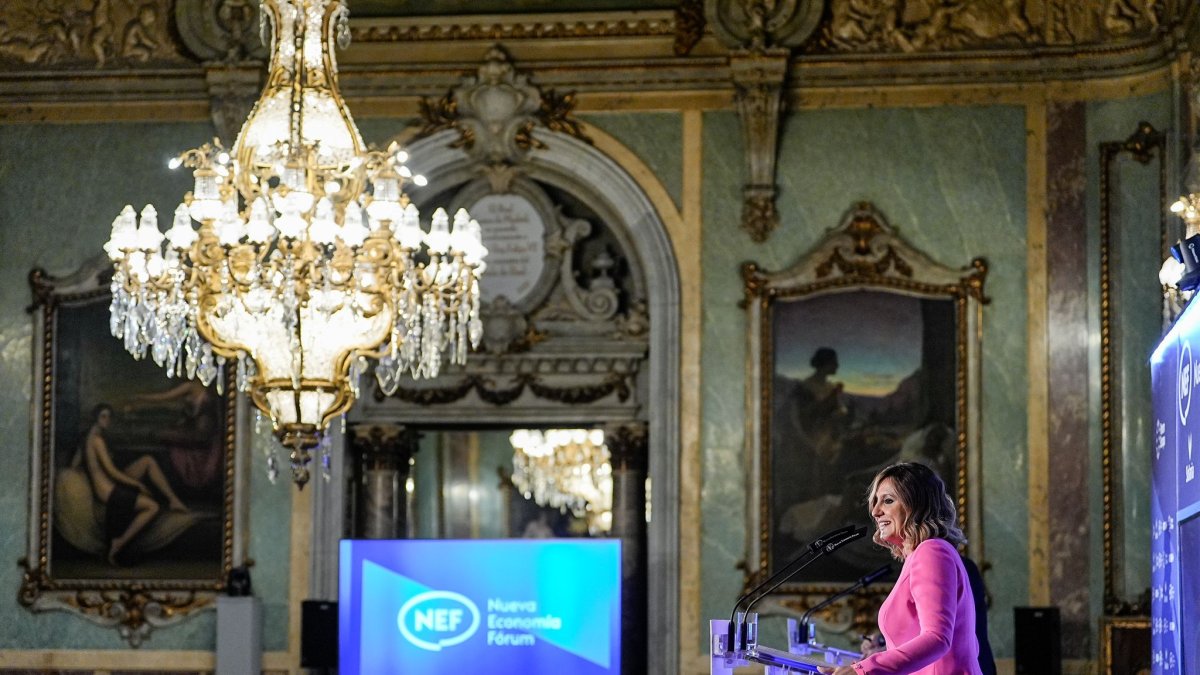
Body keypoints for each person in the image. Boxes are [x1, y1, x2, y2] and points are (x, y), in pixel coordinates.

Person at [819, 462, 982, 675]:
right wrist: (876, 657)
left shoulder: (931, 551)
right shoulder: (922, 556)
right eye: (875, 502)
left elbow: (937, 638)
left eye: (888, 501)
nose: (876, 511)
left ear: (916, 505)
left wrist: (862, 671)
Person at [75, 404, 188, 565]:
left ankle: (173, 500)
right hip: (107, 490)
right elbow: (112, 471)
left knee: (147, 461)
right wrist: (137, 485)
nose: (108, 420)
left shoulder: (88, 436)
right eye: (103, 417)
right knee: (153, 507)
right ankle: (119, 543)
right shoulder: (97, 440)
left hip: (109, 482)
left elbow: (76, 463)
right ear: (96, 418)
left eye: (109, 417)